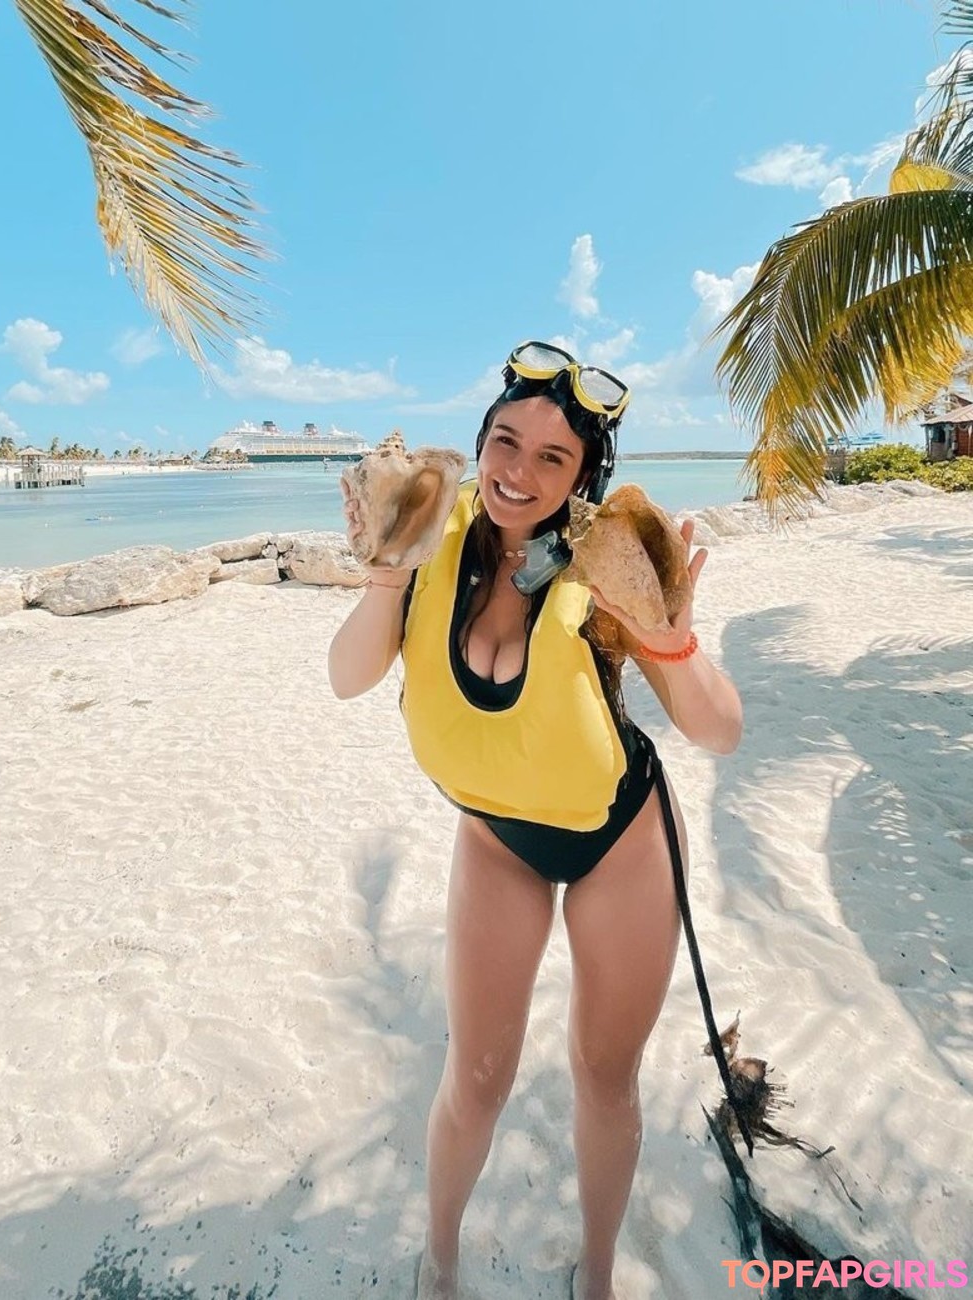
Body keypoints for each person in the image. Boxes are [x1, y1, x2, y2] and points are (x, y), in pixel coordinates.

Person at [328, 341, 744, 1300]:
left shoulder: (605, 566)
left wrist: (673, 643)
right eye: (505, 442)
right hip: (497, 838)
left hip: (620, 842)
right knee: (475, 1077)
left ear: (583, 476)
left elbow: (719, 731)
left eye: (553, 457)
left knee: (604, 1076)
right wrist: (384, 573)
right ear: (480, 443)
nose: (518, 471)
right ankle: (440, 1260)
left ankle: (595, 1272)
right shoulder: (429, 537)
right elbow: (349, 678)